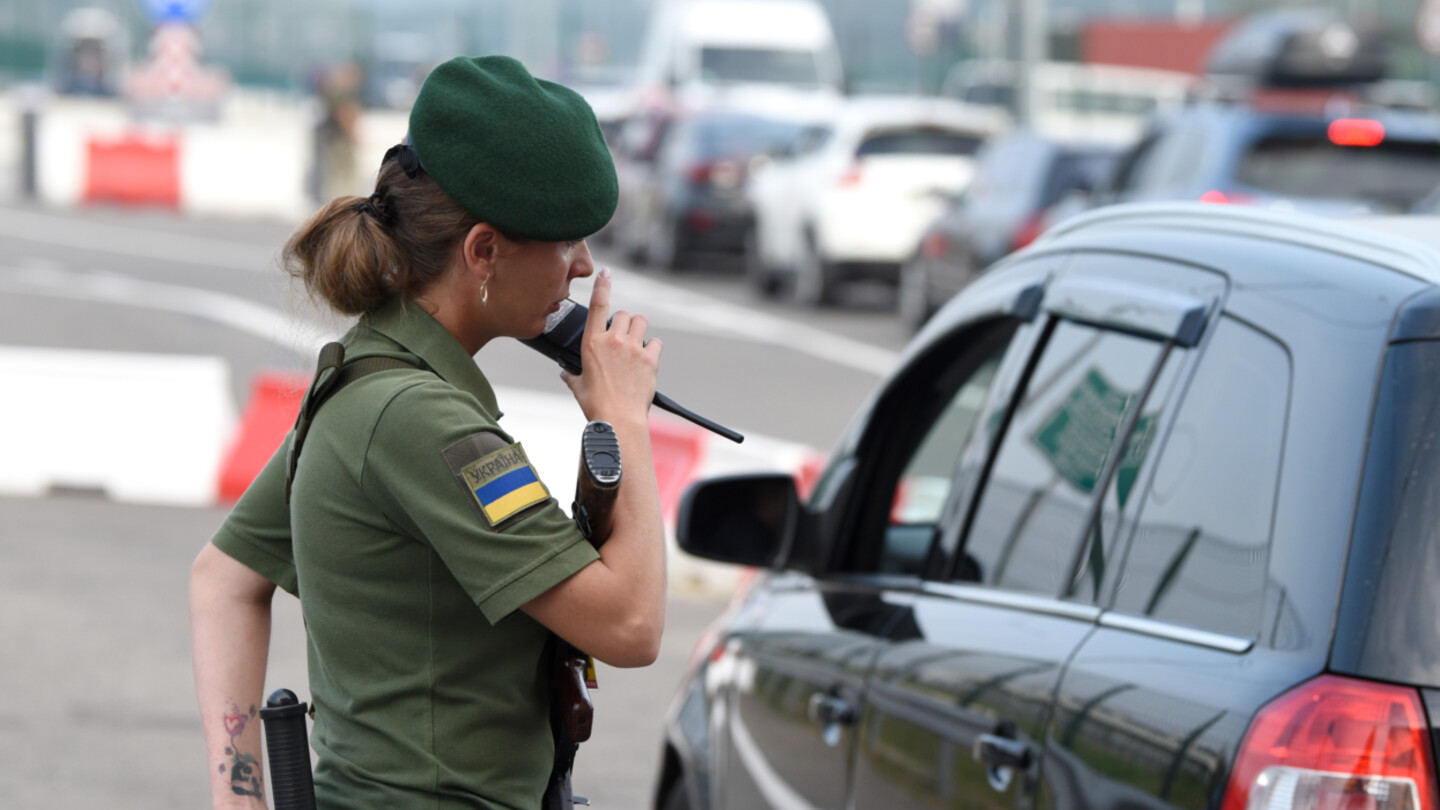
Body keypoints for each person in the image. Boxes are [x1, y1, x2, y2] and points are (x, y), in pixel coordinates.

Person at [189, 55, 666, 810]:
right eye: (565, 241)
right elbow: (632, 625)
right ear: (483, 252)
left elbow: (223, 577)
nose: (582, 268)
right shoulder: (422, 420)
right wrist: (623, 421)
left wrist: (237, 797)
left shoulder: (365, 377)